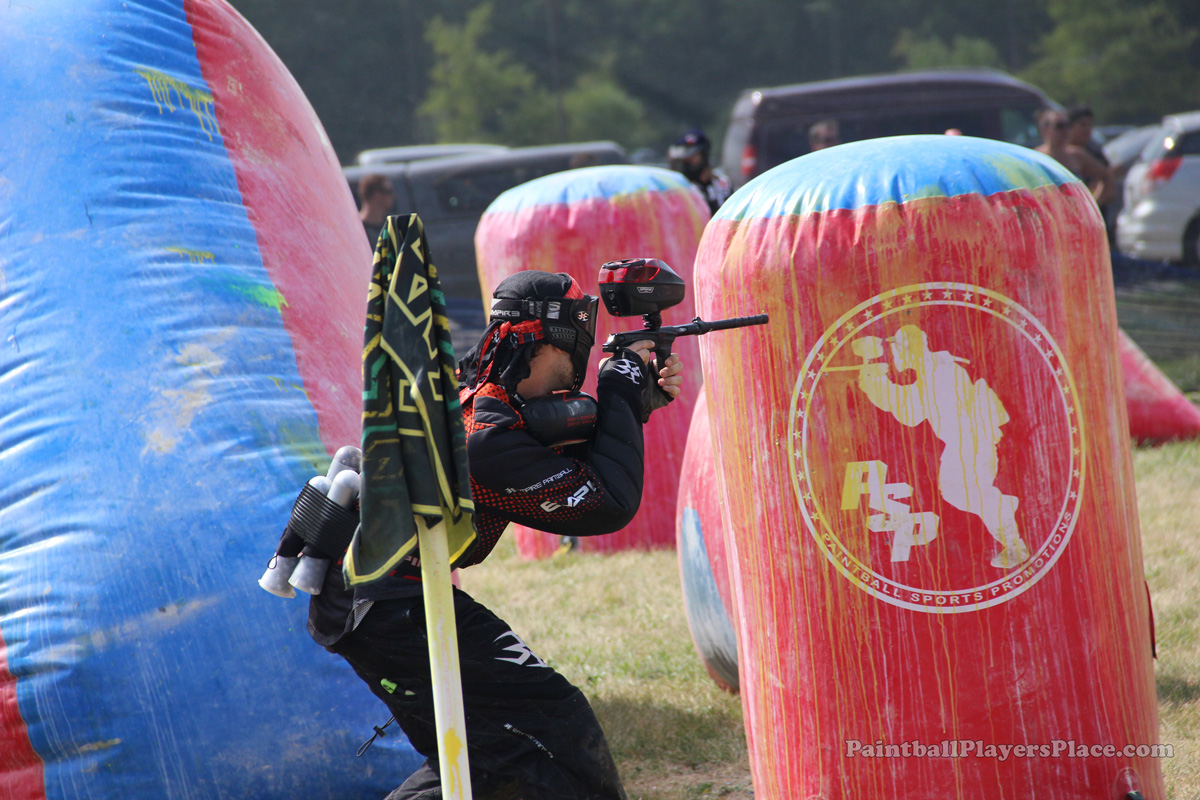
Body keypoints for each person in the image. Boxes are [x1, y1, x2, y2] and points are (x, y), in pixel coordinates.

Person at [309, 270, 684, 799]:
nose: (582, 359)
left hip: (374, 594)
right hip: (382, 601)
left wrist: (633, 405)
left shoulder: (486, 399)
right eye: (579, 341)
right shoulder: (486, 437)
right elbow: (608, 505)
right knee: (556, 727)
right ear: (549, 342)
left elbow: (576, 460)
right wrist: (619, 392)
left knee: (481, 756)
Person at [1034, 108, 1115, 207]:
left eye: (1067, 125)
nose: (1065, 131)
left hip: (1074, 211)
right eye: (1059, 126)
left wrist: (1092, 204)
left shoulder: (1076, 155)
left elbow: (1106, 177)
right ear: (1045, 130)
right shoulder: (1035, 157)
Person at [667, 128, 731, 215]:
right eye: (683, 158)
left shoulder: (723, 185)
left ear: (704, 155)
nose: (686, 161)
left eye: (692, 157)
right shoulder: (680, 187)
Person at [358, 173, 395, 246]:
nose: (392, 196)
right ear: (376, 194)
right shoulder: (357, 229)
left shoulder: (391, 227)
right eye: (388, 191)